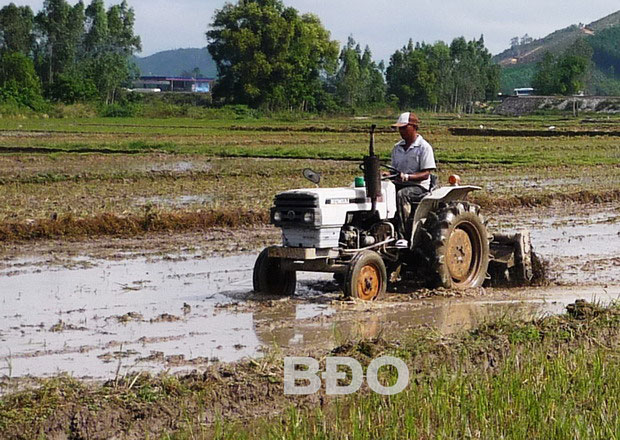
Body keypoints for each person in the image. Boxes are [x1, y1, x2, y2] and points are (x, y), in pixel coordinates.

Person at [389, 112, 436, 245]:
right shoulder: (397, 148)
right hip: (399, 182)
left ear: (414, 127)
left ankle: (403, 236)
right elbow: (393, 169)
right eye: (400, 128)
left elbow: (426, 173)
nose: (401, 131)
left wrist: (407, 176)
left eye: (404, 127)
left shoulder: (424, 147)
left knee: (402, 195)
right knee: (382, 192)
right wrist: (386, 175)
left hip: (419, 186)